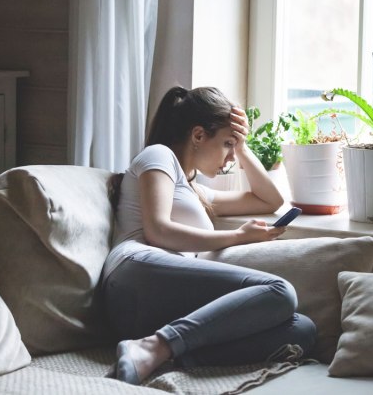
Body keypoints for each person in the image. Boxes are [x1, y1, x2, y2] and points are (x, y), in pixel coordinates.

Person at [101, 86, 317, 385]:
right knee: (280, 291)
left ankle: (163, 354)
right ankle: (153, 347)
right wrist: (237, 237)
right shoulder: (158, 156)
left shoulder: (195, 191)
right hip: (135, 274)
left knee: (301, 329)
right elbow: (158, 230)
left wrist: (242, 146)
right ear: (199, 135)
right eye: (227, 144)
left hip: (162, 301)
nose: (230, 158)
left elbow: (270, 200)